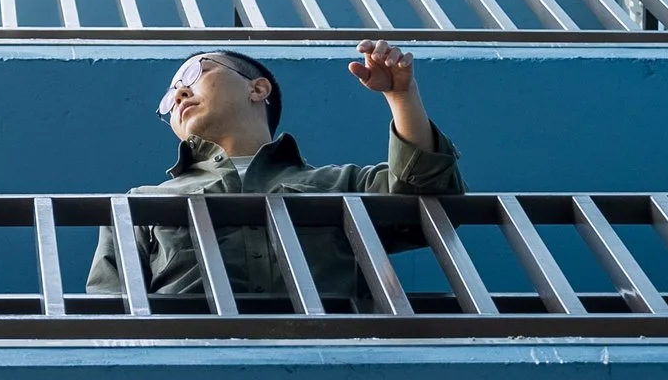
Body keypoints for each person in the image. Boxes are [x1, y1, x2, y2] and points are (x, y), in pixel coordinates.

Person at [86, 40, 462, 305]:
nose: (179, 94)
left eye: (193, 73)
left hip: (333, 359)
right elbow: (111, 307)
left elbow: (426, 201)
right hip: (187, 366)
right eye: (169, 97)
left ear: (257, 88)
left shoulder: (340, 183)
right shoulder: (143, 201)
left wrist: (402, 96)